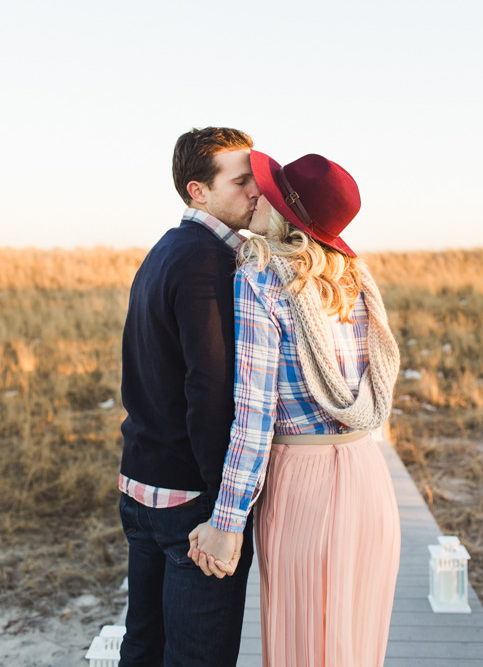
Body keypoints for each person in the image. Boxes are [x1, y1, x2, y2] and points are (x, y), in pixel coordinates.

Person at [189, 149, 401, 667]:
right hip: (368, 476)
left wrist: (226, 522)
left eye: (268, 190)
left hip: (305, 487)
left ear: (287, 211)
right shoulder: (352, 278)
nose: (255, 194)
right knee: (355, 651)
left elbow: (254, 416)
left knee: (304, 649)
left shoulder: (260, 276)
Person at [118, 127, 260, 667]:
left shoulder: (165, 249)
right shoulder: (210, 261)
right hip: (190, 501)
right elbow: (211, 390)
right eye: (241, 181)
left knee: (144, 647)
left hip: (142, 485)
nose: (256, 191)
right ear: (197, 191)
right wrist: (225, 507)